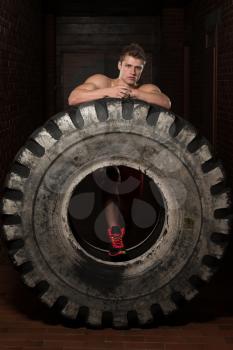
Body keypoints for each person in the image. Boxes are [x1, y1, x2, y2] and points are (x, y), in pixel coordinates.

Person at [68, 43, 171, 257]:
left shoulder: (145, 90)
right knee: (111, 191)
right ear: (119, 65)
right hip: (104, 149)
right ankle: (116, 238)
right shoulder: (101, 81)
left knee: (130, 196)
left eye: (138, 68)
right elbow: (73, 98)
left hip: (135, 154)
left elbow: (166, 103)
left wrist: (136, 95)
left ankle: (125, 234)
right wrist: (109, 92)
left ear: (143, 69)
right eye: (128, 66)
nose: (132, 72)